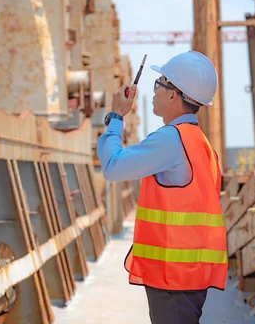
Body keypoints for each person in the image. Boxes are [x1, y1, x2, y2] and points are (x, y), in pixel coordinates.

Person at [97, 50, 228, 324]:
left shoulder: (171, 140)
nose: (154, 91)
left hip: (173, 279)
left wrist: (116, 117)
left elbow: (112, 166)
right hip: (190, 276)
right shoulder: (203, 146)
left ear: (173, 95)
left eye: (159, 84)